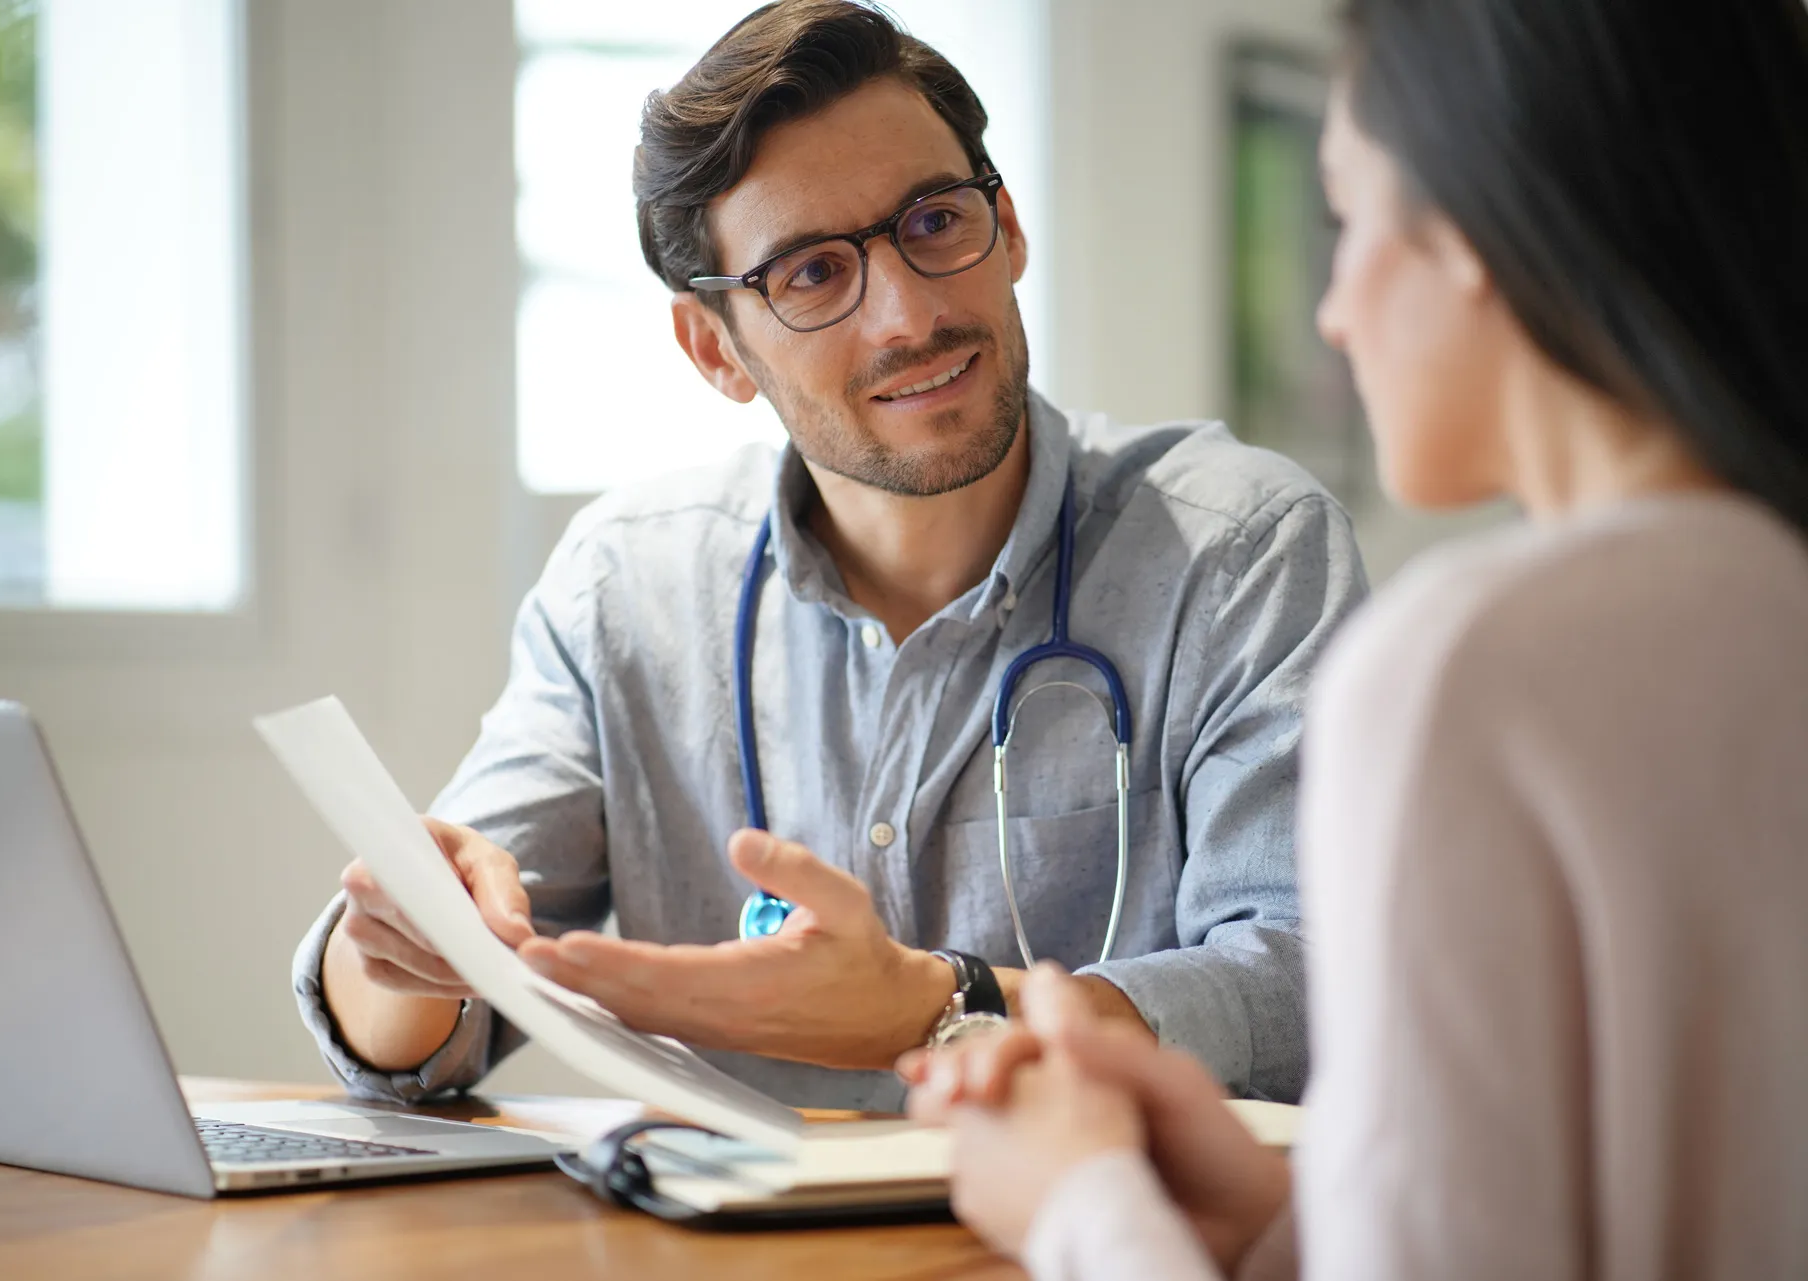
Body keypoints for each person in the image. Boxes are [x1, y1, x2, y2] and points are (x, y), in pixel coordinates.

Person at [290, 0, 1367, 1113]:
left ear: (1010, 227)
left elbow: (1309, 983)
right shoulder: (630, 589)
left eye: (936, 222)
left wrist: (938, 1008)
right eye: (810, 274)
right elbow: (415, 1026)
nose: (908, 313)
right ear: (716, 349)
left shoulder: (1239, 553)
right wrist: (406, 946)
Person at [905, 0, 1808, 1275]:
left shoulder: (1474, 665)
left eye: (1351, 217)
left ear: (1481, 228)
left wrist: (1075, 1204)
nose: (1333, 310)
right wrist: (1281, 1222)